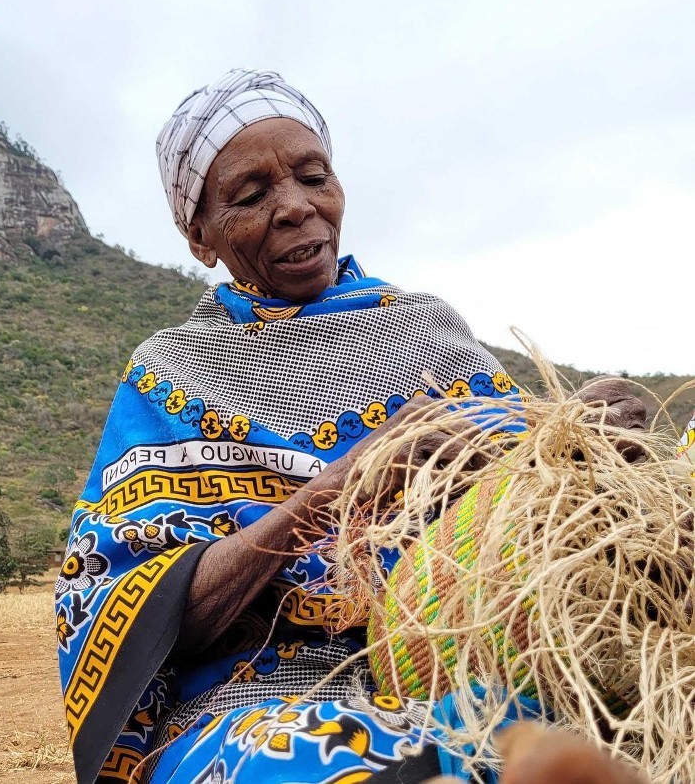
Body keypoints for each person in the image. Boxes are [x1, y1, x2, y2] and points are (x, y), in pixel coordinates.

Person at [56, 69, 647, 784]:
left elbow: (531, 501)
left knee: (591, 731)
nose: (296, 207)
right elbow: (125, 607)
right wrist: (337, 489)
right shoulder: (171, 372)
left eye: (313, 177)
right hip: (250, 703)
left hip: (459, 670)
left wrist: (588, 439)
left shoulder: (426, 330)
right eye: (251, 195)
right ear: (200, 236)